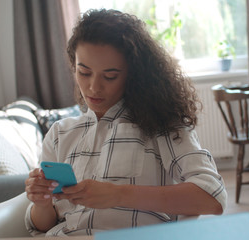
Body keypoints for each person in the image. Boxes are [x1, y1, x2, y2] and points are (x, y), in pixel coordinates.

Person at [24, 9, 227, 237]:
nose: (94, 87)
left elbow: (213, 197)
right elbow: (42, 225)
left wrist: (118, 194)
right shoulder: (61, 133)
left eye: (110, 76)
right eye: (84, 72)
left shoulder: (163, 124)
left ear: (133, 74)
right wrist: (40, 203)